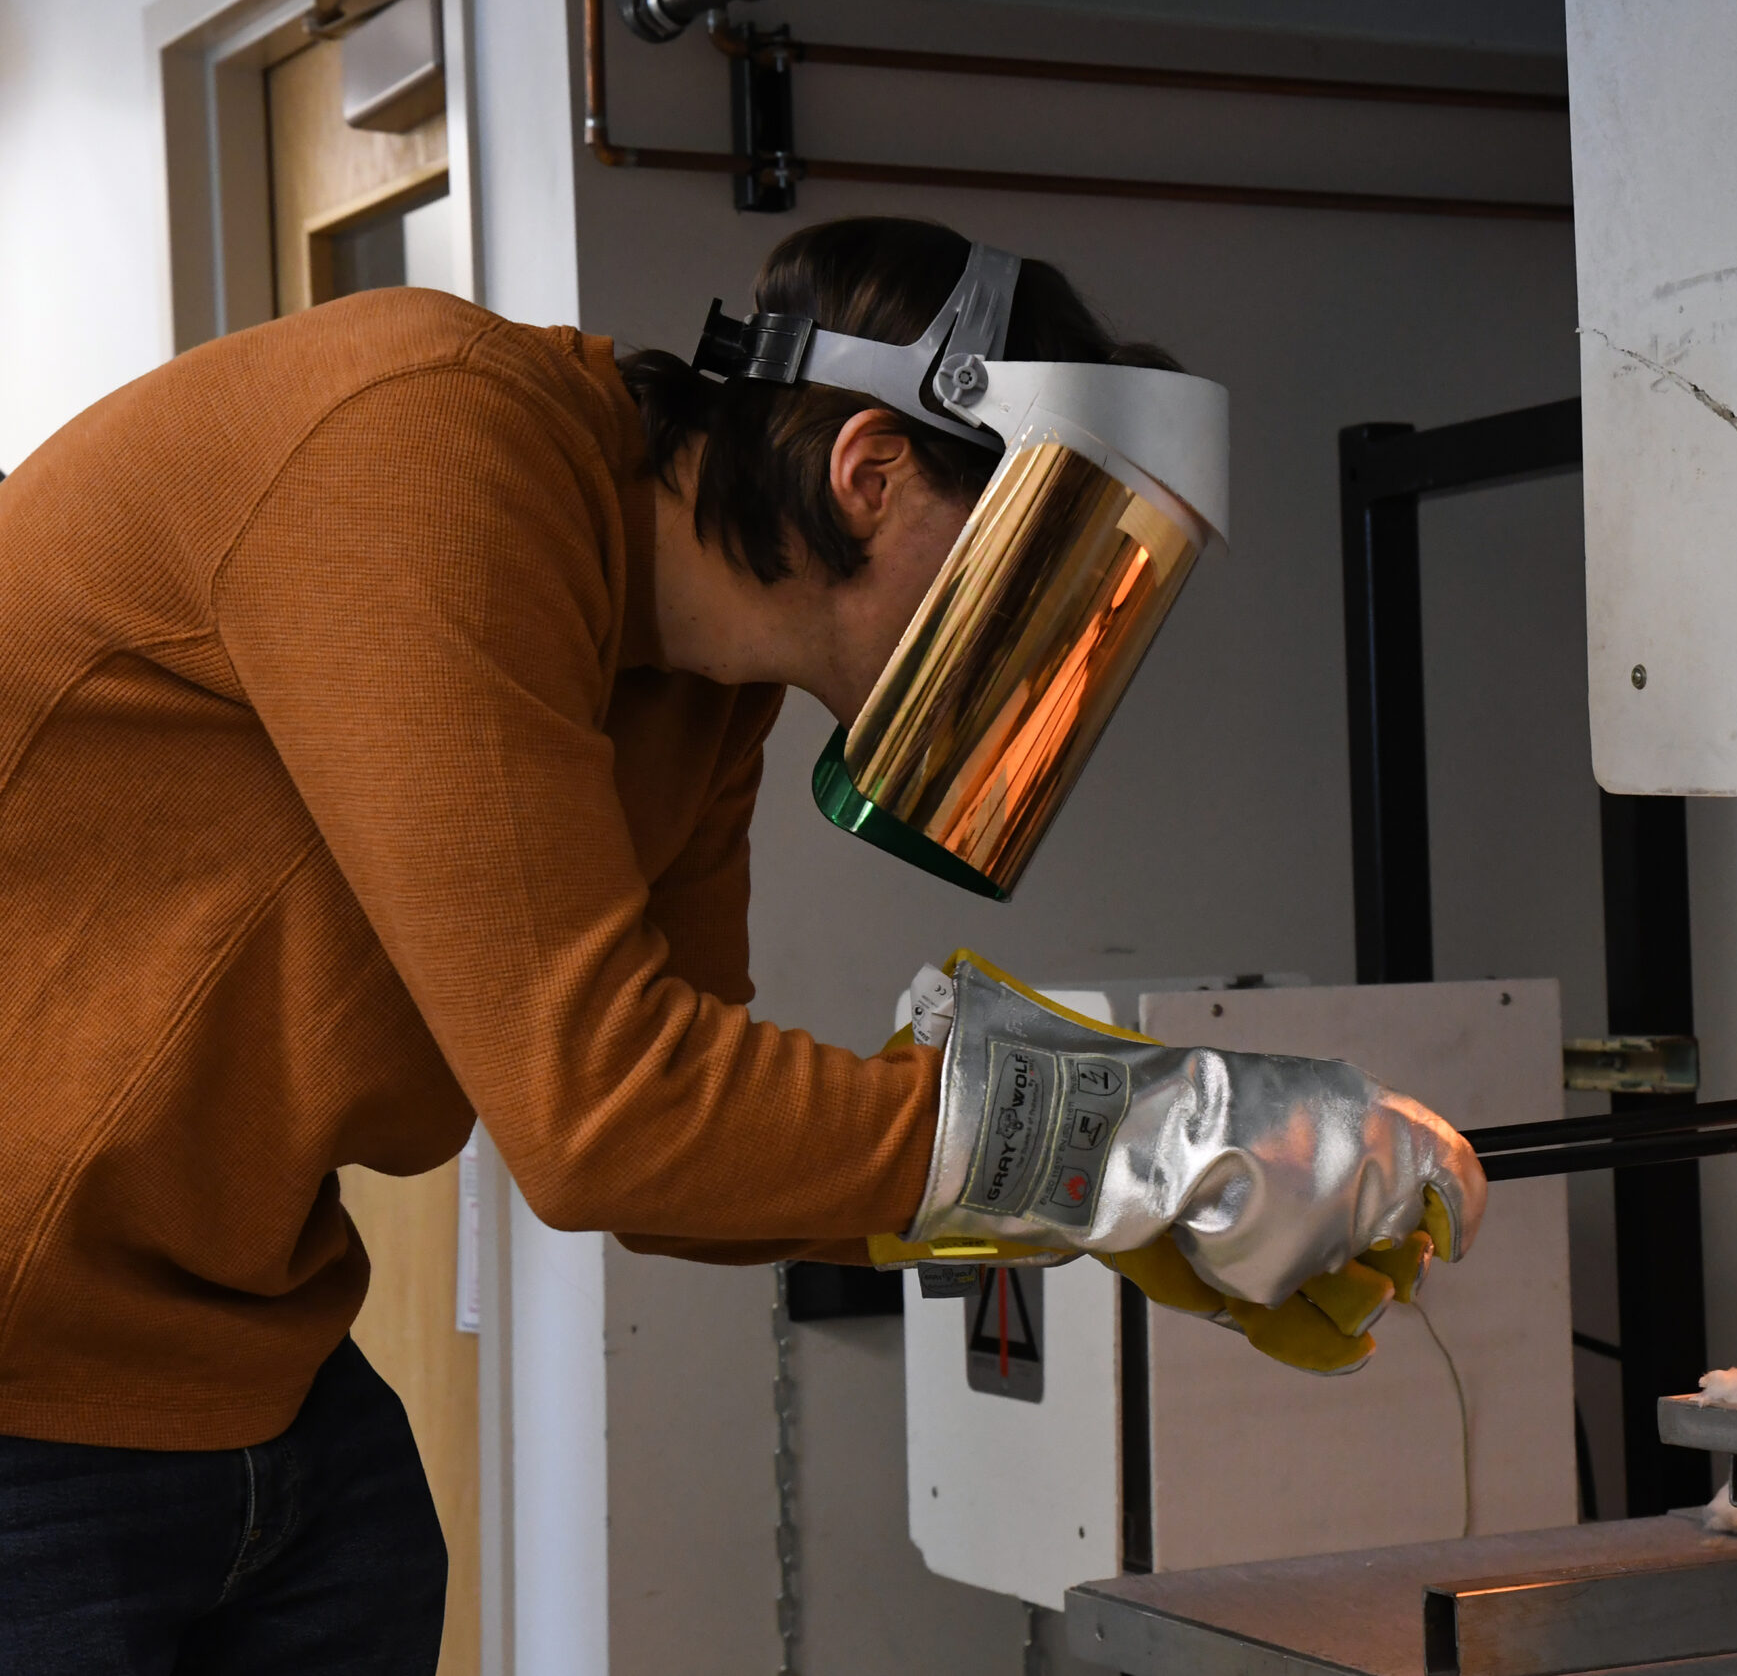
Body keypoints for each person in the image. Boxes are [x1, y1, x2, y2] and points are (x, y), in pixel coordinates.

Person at [0, 216, 1484, 1672]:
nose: (1055, 657)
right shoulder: (422, 449)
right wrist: (1148, 1137)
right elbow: (608, 1115)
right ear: (871, 471)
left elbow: (688, 1167)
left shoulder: (700, 687)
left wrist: (1118, 1196)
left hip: (252, 1368)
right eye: (1036, 573)